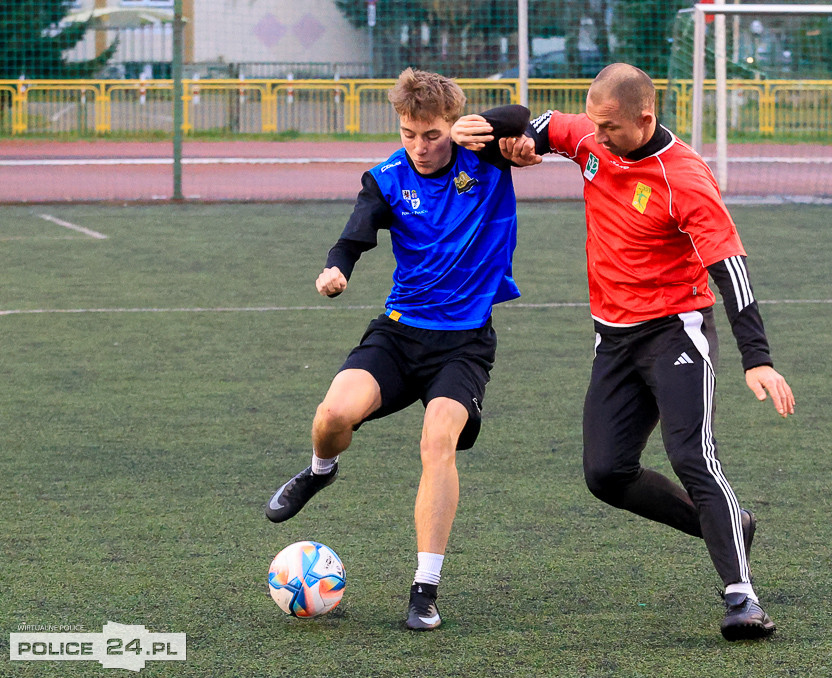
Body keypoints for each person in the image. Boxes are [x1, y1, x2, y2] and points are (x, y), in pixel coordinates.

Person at [452, 63, 795, 641]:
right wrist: (495, 133)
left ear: (645, 118)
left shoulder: (684, 177)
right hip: (612, 339)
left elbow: (730, 269)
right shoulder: (590, 134)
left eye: (609, 127)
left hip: (674, 333)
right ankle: (731, 525)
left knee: (691, 455)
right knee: (606, 472)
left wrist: (757, 357)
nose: (597, 136)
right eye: (593, 123)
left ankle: (742, 597)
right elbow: (533, 122)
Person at [265, 68, 530, 631]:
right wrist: (335, 268)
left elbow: (521, 117)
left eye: (432, 134)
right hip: (398, 333)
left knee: (438, 441)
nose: (420, 146)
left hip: (463, 346)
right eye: (409, 133)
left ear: (454, 126)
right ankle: (320, 470)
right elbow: (352, 236)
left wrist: (478, 130)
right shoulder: (386, 177)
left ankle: (424, 589)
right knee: (333, 413)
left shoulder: (485, 158)